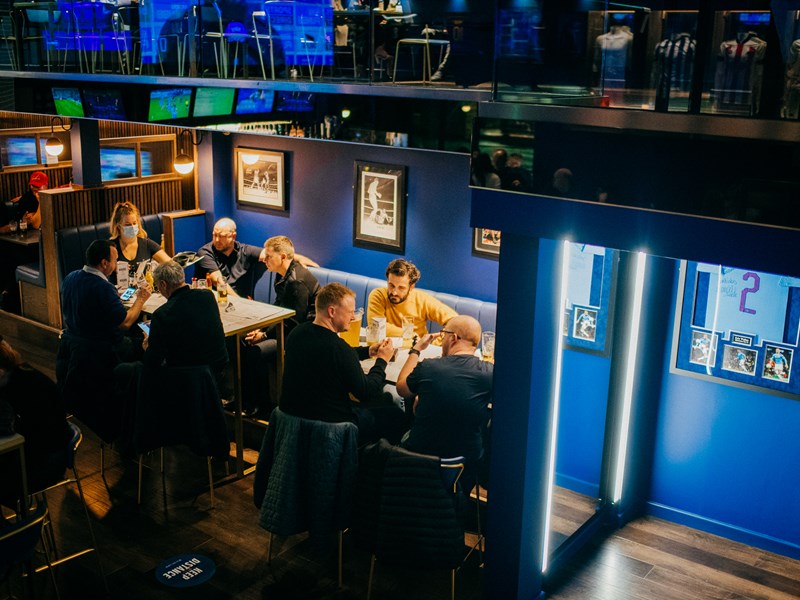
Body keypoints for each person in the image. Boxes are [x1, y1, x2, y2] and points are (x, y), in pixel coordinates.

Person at [280, 282, 406, 444]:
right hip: (333, 426)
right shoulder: (338, 348)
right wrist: (382, 360)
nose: (353, 317)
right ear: (332, 311)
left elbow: (331, 356)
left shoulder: (297, 333)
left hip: (292, 418)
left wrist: (368, 351)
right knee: (396, 415)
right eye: (350, 312)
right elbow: (367, 392)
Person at [56, 239, 152, 441]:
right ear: (104, 263)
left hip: (73, 345)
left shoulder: (71, 277)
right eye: (115, 260)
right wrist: (141, 298)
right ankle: (141, 411)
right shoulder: (102, 287)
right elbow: (125, 322)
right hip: (103, 351)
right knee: (144, 344)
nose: (116, 264)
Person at [395, 315, 492, 490]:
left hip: (419, 458)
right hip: (465, 465)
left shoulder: (428, 367)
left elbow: (401, 388)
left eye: (443, 335)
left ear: (453, 338)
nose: (442, 340)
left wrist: (416, 350)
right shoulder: (490, 373)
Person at [241, 235, 320, 418]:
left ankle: (264, 407)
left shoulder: (296, 282)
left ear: (282, 257)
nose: (264, 259)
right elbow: (279, 310)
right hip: (288, 330)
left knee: (255, 352)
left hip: (303, 337)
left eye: (269, 256)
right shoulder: (282, 274)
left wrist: (264, 336)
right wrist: (261, 329)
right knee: (241, 341)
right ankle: (245, 400)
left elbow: (294, 322)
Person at [0, 336, 71, 506]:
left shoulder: (15, 387)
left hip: (46, 463)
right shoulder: (21, 372)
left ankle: (19, 521)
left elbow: (5, 430)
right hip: (42, 452)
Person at [143, 260, 228, 384]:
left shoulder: (161, 314)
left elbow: (153, 360)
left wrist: (147, 347)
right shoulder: (208, 296)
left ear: (163, 284)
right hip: (218, 366)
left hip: (185, 378)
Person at [194, 218, 319, 299]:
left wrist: (297, 258)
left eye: (221, 236)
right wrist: (241, 303)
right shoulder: (205, 252)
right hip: (217, 301)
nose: (216, 240)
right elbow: (219, 281)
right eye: (214, 235)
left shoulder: (244, 251)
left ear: (233, 236)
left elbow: (271, 253)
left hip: (242, 304)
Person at [367, 258, 457, 338]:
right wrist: (411, 335)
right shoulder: (378, 295)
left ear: (411, 287)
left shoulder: (422, 299)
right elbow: (376, 326)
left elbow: (456, 322)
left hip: (417, 348)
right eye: (391, 285)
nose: (394, 292)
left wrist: (435, 342)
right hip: (386, 346)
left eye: (401, 288)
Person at [109, 201, 170, 284]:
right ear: (119, 226)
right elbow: (96, 272)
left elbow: (169, 264)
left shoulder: (147, 244)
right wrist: (112, 267)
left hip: (144, 290)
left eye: (134, 223)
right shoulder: (110, 247)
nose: (132, 227)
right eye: (127, 224)